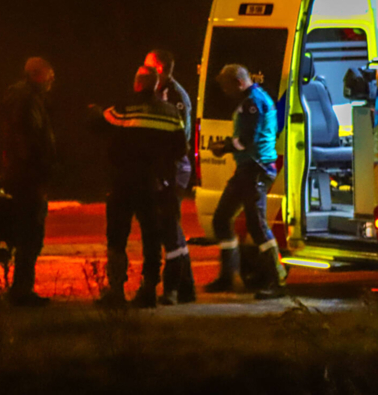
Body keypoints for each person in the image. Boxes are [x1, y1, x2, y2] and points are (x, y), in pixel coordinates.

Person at [90, 65, 187, 308]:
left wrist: (95, 113)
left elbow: (99, 127)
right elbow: (181, 150)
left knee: (117, 237)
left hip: (123, 183)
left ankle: (116, 291)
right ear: (156, 86)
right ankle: (149, 290)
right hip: (154, 186)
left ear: (136, 84)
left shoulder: (122, 109)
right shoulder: (170, 113)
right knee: (152, 238)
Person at [205, 64, 286, 300]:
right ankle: (228, 275)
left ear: (238, 82)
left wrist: (225, 147)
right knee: (222, 218)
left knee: (257, 225)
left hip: (255, 169)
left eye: (226, 85)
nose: (224, 90)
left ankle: (277, 278)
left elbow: (247, 139)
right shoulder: (254, 99)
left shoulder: (251, 103)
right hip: (248, 169)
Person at [1, 57, 57, 306]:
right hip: (28, 176)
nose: (51, 81)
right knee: (31, 234)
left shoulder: (18, 97)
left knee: (26, 232)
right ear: (38, 75)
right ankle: (22, 291)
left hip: (19, 173)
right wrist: (40, 169)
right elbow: (30, 139)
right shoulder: (28, 100)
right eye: (49, 76)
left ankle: (21, 288)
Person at [144, 49, 195, 305]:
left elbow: (180, 140)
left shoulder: (175, 97)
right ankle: (186, 288)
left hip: (173, 171)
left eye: (147, 65)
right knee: (171, 227)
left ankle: (173, 289)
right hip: (163, 170)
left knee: (169, 229)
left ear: (160, 69)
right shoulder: (156, 94)